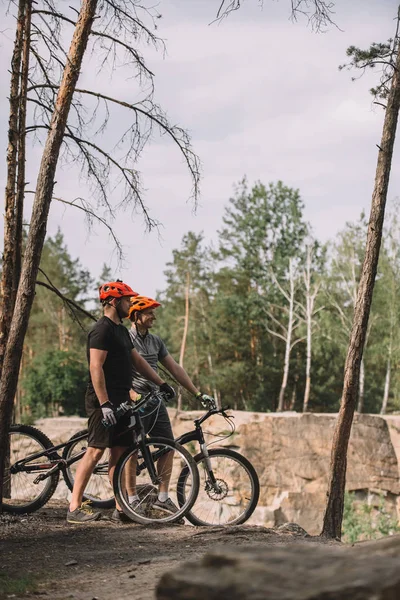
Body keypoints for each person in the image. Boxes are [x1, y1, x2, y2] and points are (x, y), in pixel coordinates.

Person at [67, 281, 175, 524]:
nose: (130, 304)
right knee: (95, 451)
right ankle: (74, 506)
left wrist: (161, 383)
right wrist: (105, 404)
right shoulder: (101, 330)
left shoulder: (121, 331)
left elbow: (138, 362)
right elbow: (95, 367)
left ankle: (121, 508)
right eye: (127, 300)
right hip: (102, 401)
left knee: (121, 454)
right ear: (115, 302)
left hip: (122, 400)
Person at [127, 295, 215, 516]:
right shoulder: (126, 339)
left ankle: (163, 498)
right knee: (131, 450)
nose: (153, 317)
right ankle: (131, 499)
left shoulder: (156, 341)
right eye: (149, 313)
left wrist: (197, 393)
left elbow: (175, 368)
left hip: (155, 402)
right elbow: (117, 372)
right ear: (137, 316)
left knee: (167, 445)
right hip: (134, 402)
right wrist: (130, 394)